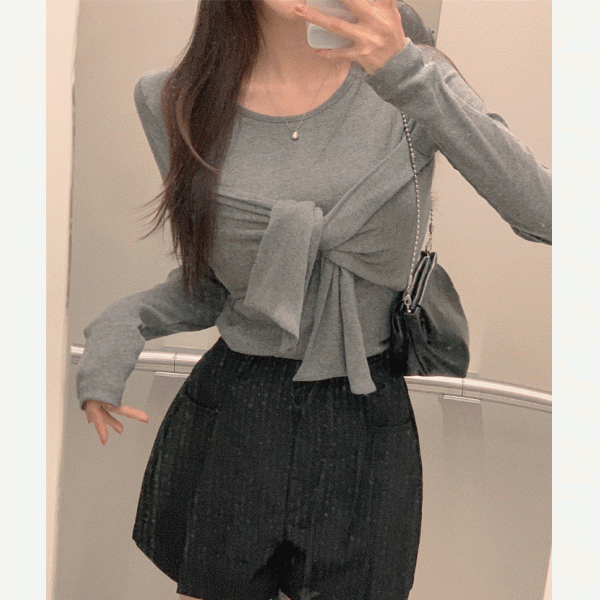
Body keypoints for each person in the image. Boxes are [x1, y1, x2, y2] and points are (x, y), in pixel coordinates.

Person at [78, 2, 551, 599]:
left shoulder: (412, 82)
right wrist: (121, 325)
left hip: (365, 417)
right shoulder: (175, 100)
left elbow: (546, 215)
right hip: (237, 417)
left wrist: (406, 73)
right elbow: (216, 284)